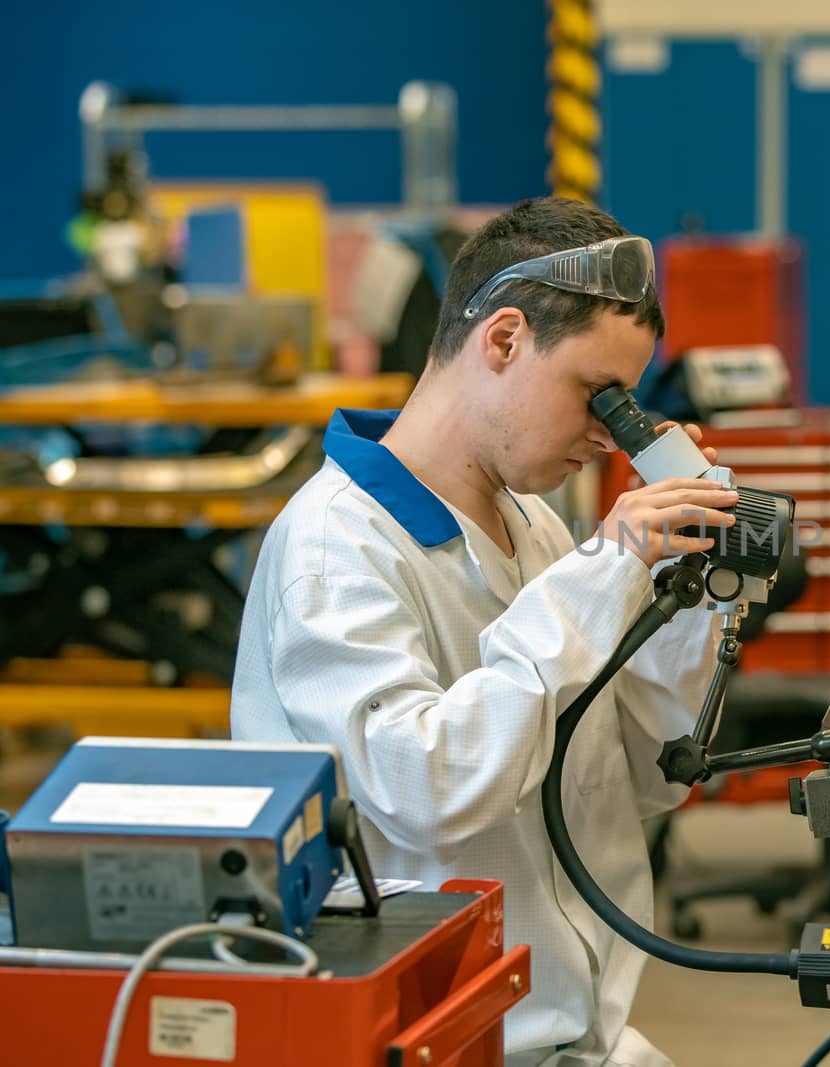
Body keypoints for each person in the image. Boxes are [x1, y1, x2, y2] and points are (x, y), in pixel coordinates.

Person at [231, 197, 735, 1065]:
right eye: (593, 393)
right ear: (501, 340)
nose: (606, 434)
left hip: (572, 1033)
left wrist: (683, 594)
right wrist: (604, 570)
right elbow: (430, 788)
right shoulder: (337, 546)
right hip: (428, 1042)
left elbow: (640, 780)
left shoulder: (534, 526)